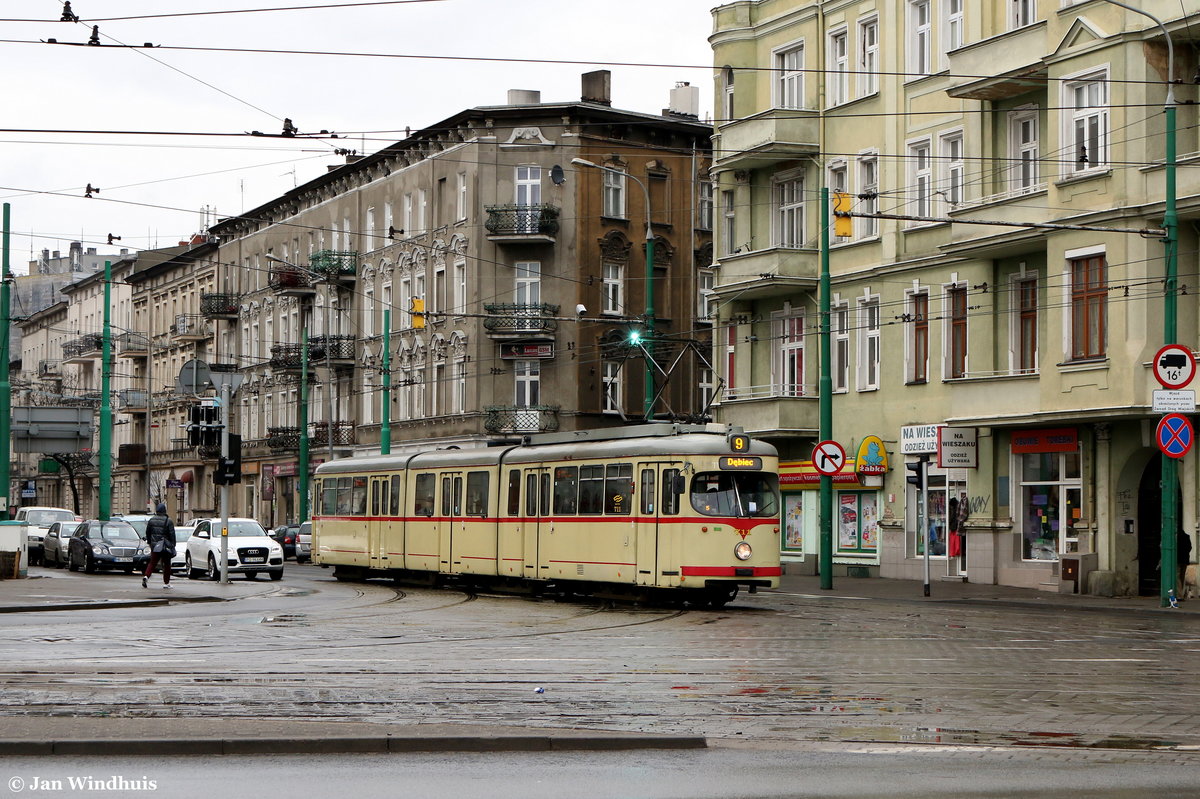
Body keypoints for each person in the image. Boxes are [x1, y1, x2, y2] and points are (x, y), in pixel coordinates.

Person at [141, 503, 176, 589]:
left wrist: (150, 542)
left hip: (155, 546)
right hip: (165, 546)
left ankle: (146, 576)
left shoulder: (151, 520)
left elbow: (148, 533)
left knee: (152, 563)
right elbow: (172, 534)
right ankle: (166, 583)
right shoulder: (168, 521)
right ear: (164, 510)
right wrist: (173, 545)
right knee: (167, 564)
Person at [1178, 527, 1193, 600]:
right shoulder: (1187, 536)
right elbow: (1190, 547)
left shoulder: (1176, 537)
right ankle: (1182, 593)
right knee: (1182, 577)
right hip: (1185, 560)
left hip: (1177, 560)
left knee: (1177, 577)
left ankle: (1179, 595)